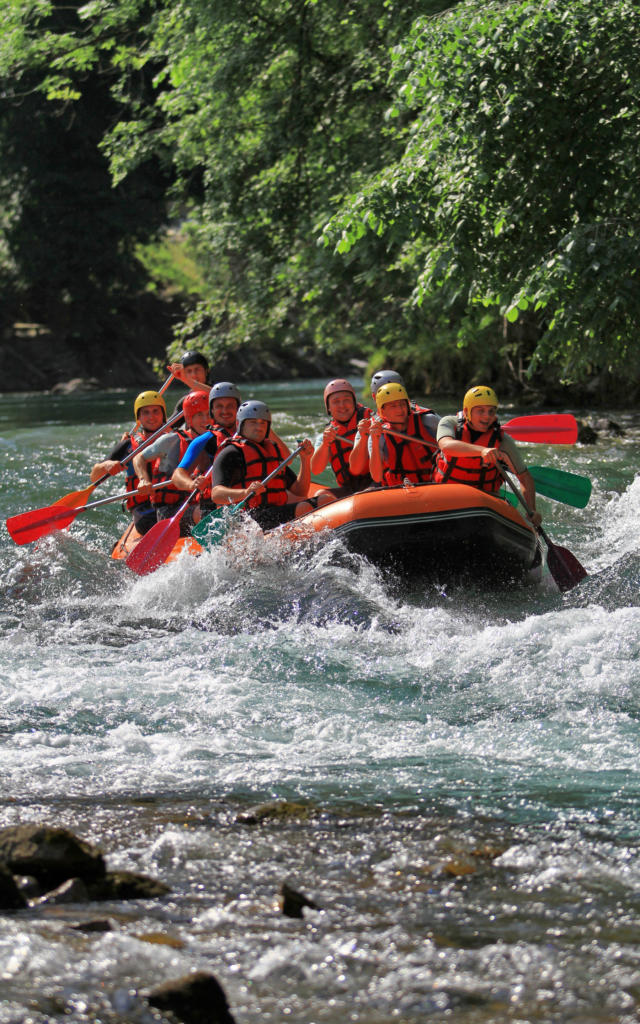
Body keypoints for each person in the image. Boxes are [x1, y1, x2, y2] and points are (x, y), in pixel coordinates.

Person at [210, 400, 334, 530]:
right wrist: (246, 492)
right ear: (239, 424)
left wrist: (305, 459)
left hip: (275, 511)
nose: (259, 427)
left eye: (263, 423)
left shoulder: (272, 450)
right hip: (249, 517)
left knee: (326, 500)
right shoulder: (230, 452)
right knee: (304, 508)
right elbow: (216, 494)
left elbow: (300, 491)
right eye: (253, 422)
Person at [433, 385, 542, 524]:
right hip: (447, 495)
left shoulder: (503, 441)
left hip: (484, 502)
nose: (487, 416)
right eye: (481, 411)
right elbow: (446, 445)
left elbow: (524, 476)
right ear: (467, 411)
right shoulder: (449, 423)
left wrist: (532, 510)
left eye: (491, 411)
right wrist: (482, 450)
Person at [131, 390, 211, 535]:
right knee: (204, 512)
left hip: (200, 503)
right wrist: (143, 480)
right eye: (199, 415)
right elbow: (139, 458)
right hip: (170, 511)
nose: (206, 420)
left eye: (209, 415)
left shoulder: (219, 440)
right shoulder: (172, 440)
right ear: (188, 419)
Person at [90, 391, 168, 535]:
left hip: (172, 503)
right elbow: (94, 477)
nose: (151, 416)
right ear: (139, 418)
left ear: (163, 414)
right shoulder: (127, 445)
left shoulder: (175, 439)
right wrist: (106, 466)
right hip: (145, 509)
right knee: (150, 523)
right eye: (146, 412)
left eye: (156, 411)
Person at [368, 382, 440, 487]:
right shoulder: (379, 436)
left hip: (437, 483)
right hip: (403, 490)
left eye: (402, 404)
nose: (400, 410)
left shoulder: (428, 420)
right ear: (382, 410)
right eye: (393, 406)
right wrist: (374, 440)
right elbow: (377, 477)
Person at [310, 379, 373, 495]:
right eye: (336, 401)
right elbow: (316, 470)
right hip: (349, 488)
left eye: (346, 400)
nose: (342, 405)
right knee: (319, 495)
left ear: (354, 402)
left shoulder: (372, 423)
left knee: (366, 494)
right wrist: (325, 444)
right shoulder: (326, 436)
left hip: (376, 483)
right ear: (328, 408)